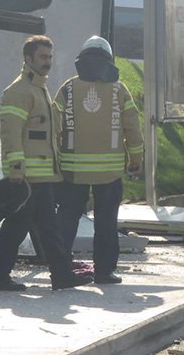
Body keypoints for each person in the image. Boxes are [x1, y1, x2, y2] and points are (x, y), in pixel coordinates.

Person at [0, 36, 94, 292]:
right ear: (28, 59)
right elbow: (11, 134)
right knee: (18, 228)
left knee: (49, 229)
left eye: (50, 57)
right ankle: (0, 277)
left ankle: (61, 275)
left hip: (44, 176)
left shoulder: (38, 89)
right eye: (43, 57)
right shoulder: (19, 92)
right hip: (27, 178)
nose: (48, 62)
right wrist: (15, 171)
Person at [53, 36, 144, 284]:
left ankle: (60, 268)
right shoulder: (118, 90)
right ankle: (104, 272)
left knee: (67, 220)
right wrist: (135, 158)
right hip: (110, 173)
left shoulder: (68, 89)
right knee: (105, 222)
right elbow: (132, 128)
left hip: (72, 170)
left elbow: (54, 125)